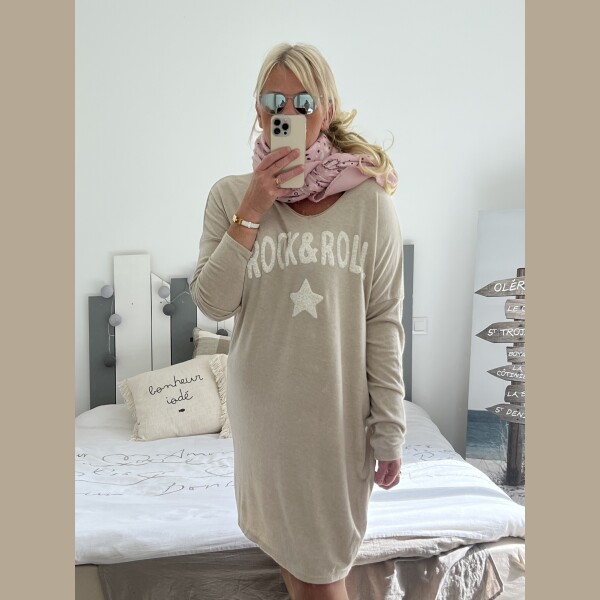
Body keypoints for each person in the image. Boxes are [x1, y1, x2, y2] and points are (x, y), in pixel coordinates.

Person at [190, 42, 406, 600]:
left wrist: (390, 429)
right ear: (258, 111)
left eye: (303, 102)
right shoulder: (229, 197)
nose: (287, 113)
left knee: (320, 565)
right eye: (273, 101)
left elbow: (383, 324)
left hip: (335, 422)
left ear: (326, 111)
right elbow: (213, 303)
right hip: (265, 422)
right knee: (298, 561)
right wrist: (253, 208)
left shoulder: (371, 204)